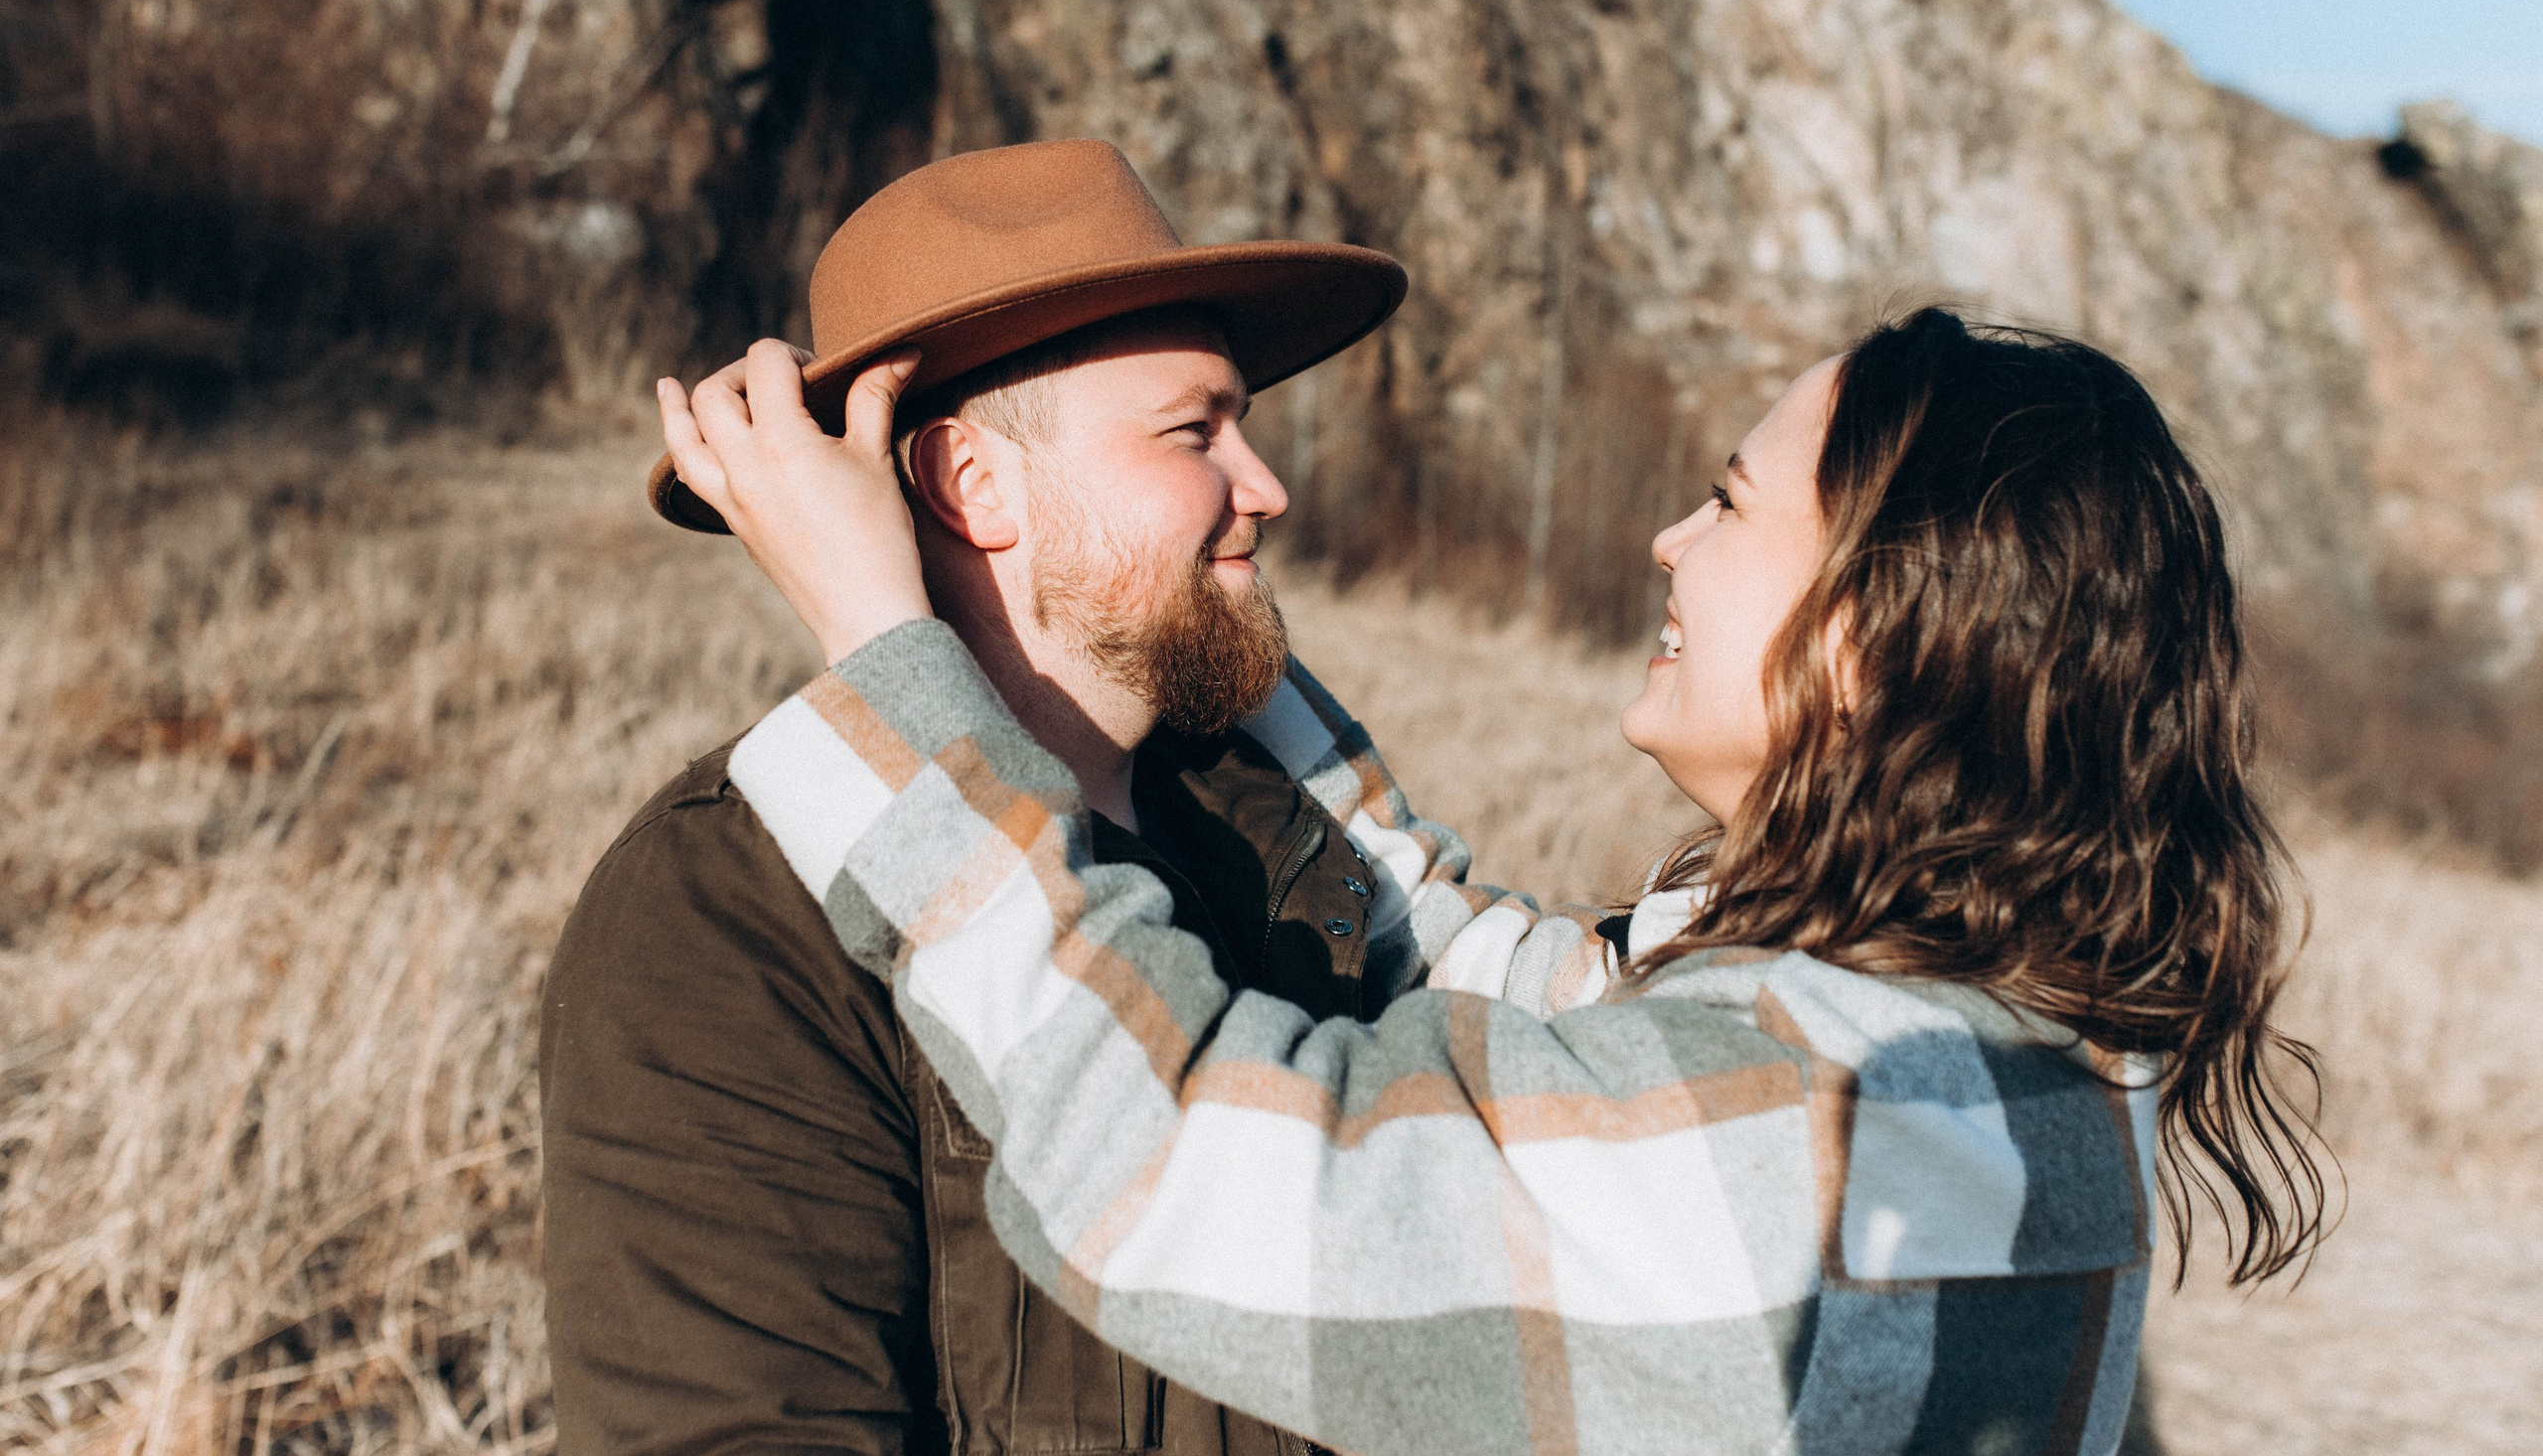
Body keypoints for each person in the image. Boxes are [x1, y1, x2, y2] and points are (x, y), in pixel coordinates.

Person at [657, 306, 2328, 1456]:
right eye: (1198, 435)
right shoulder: (2002, 1045)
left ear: (1880, 632)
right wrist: (1212, 636)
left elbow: (1168, 1159)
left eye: (1732, 506)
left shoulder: (1799, 1115)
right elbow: (1466, 956)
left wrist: (885, 650)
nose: (1672, 540)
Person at [541, 139, 1567, 1456]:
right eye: (1196, 431)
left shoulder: (1311, 870)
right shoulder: (728, 920)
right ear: (974, 484)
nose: (1267, 489)